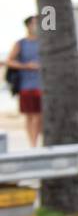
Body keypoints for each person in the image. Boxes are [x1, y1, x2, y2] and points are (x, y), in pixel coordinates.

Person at [6, 17, 43, 146]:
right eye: (34, 23)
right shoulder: (21, 43)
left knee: (39, 115)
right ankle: (32, 144)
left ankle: (35, 142)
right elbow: (9, 61)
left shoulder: (43, 42)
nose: (36, 26)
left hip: (41, 85)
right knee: (29, 115)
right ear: (27, 26)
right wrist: (27, 66)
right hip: (25, 85)